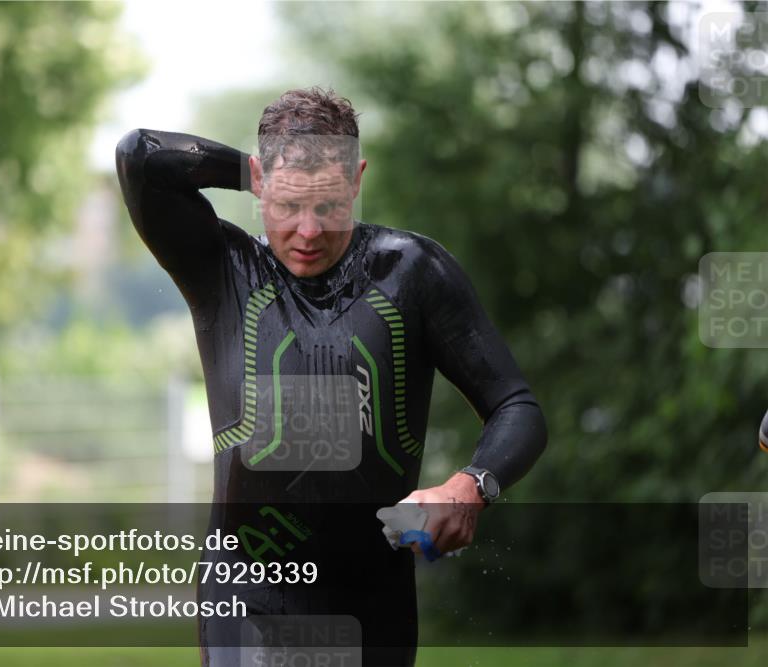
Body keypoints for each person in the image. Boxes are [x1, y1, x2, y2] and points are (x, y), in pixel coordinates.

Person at [115, 86, 547, 666]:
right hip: (247, 600)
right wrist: (248, 171)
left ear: (357, 180)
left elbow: (517, 407)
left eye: (328, 206)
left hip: (372, 605)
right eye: (288, 205)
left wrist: (470, 486)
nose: (308, 231)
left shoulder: (411, 274)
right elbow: (141, 157)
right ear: (260, 184)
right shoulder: (224, 269)